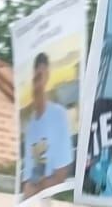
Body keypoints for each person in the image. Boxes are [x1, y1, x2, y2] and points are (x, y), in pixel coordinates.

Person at [23, 52, 74, 194]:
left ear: (47, 77)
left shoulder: (58, 115)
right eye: (36, 77)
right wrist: (31, 186)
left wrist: (37, 187)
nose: (37, 84)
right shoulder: (30, 126)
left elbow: (60, 176)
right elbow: (27, 180)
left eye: (41, 76)